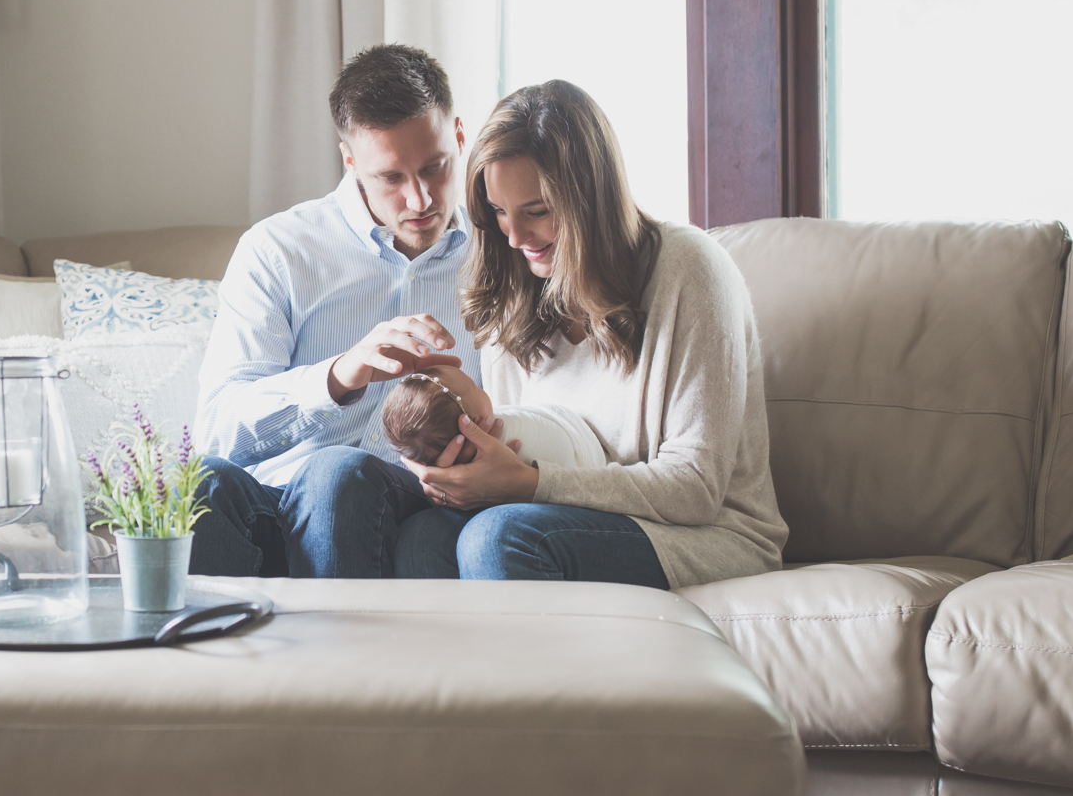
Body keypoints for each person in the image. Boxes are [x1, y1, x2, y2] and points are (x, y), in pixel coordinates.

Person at [393, 80, 787, 587]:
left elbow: (696, 490)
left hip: (709, 534)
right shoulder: (514, 291)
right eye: (498, 212)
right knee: (422, 537)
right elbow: (516, 441)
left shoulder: (690, 269)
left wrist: (531, 485)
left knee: (498, 538)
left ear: (591, 199)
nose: (514, 237)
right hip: (565, 522)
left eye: (537, 212)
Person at [190, 44, 485, 577]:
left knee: (337, 474)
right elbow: (215, 429)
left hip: (411, 502)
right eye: (391, 178)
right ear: (350, 162)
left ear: (459, 137)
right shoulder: (278, 251)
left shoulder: (500, 257)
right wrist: (334, 377)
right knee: (202, 482)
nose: (419, 200)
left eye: (435, 168)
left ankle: (333, 660)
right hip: (277, 501)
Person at [379, 366, 607, 472]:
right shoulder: (505, 430)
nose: (480, 387)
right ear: (474, 423)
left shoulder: (446, 473)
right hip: (583, 453)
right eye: (473, 386)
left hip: (579, 467)